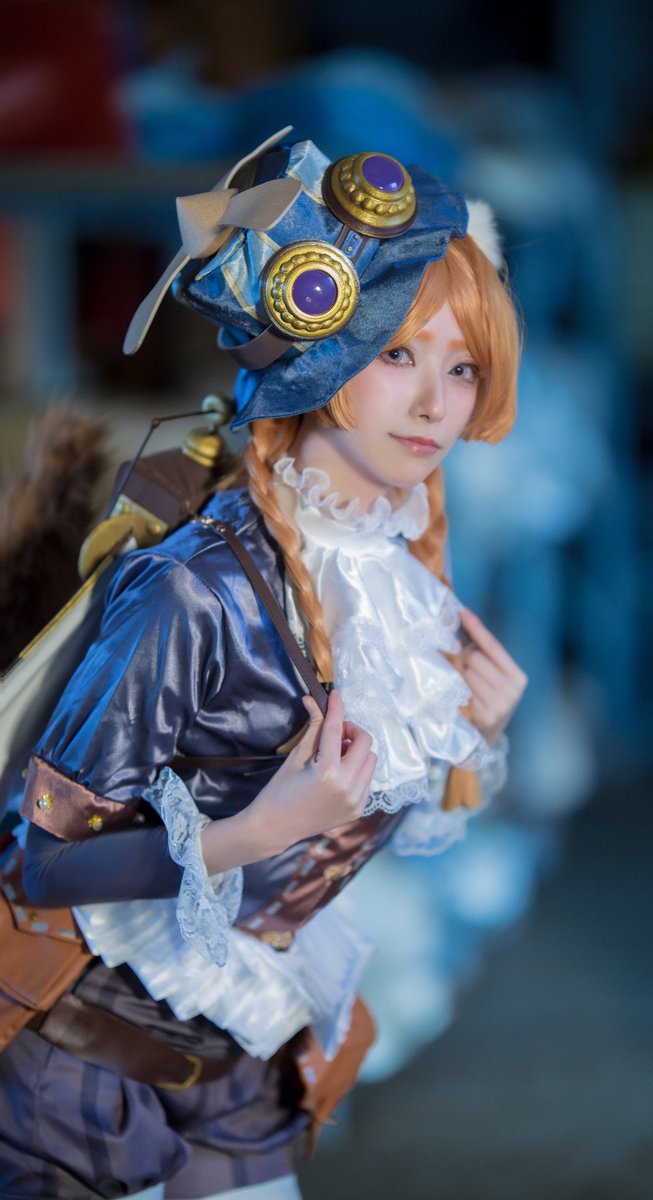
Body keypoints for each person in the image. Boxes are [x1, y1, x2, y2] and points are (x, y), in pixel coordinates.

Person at [0, 127, 526, 1200]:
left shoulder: (398, 576)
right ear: (320, 352)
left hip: (243, 1046)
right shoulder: (197, 589)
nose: (436, 403)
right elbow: (34, 862)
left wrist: (476, 732)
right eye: (397, 354)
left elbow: (355, 837)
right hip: (77, 1051)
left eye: (462, 365)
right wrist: (253, 832)